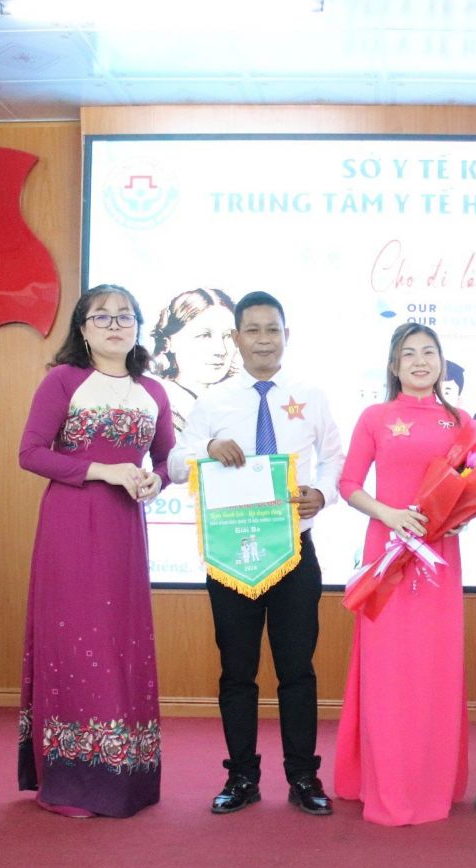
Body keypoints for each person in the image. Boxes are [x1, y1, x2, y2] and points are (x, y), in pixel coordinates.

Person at [170, 291, 346, 815]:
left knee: (298, 671)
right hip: (232, 556)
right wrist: (206, 450)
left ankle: (303, 777)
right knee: (237, 672)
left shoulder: (310, 395)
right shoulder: (213, 401)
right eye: (253, 330)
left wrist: (323, 494)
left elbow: (334, 457)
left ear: (286, 336)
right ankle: (242, 777)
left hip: (294, 550)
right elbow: (176, 463)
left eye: (273, 329)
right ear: (237, 338)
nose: (264, 339)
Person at [17, 284, 175, 818]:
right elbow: (31, 453)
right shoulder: (63, 381)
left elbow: (165, 459)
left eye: (125, 316)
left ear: (138, 327)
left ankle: (124, 777)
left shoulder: (153, 391)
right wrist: (104, 470)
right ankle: (72, 781)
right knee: (76, 640)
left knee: (119, 643)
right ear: (82, 330)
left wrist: (156, 481)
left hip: (124, 529)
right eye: (101, 317)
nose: (114, 325)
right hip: (70, 524)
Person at [334, 324, 471, 825]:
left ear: (441, 361)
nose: (419, 361)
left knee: (435, 668)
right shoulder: (375, 417)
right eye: (408, 353)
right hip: (388, 551)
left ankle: (433, 783)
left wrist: (460, 517)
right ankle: (385, 782)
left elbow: (473, 488)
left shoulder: (461, 422)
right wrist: (389, 514)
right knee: (387, 671)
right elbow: (348, 483)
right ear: (394, 366)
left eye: (428, 352)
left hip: (439, 557)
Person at [148, 287, 240, 431]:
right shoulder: (154, 410)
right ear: (167, 343)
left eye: (228, 336)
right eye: (204, 335)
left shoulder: (237, 406)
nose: (221, 350)